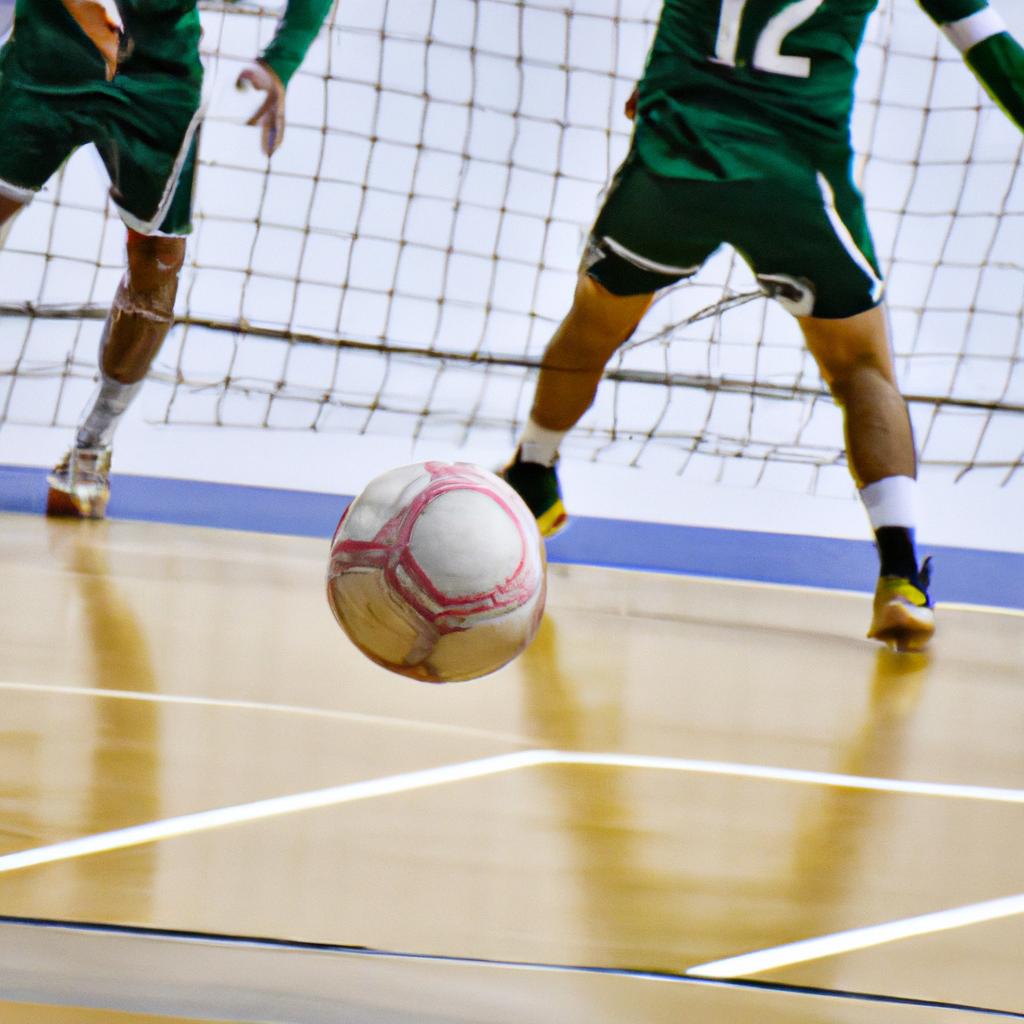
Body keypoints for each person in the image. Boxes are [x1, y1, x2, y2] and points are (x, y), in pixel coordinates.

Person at [500, 0, 1024, 653]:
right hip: (797, 182)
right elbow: (988, 43)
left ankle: (533, 472)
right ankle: (900, 575)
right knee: (862, 370)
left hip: (675, 167)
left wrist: (662, 87)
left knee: (594, 325)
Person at [0, 0, 333, 518]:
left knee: (157, 262)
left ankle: (92, 444)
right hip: (48, 56)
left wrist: (281, 59)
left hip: (158, 76)